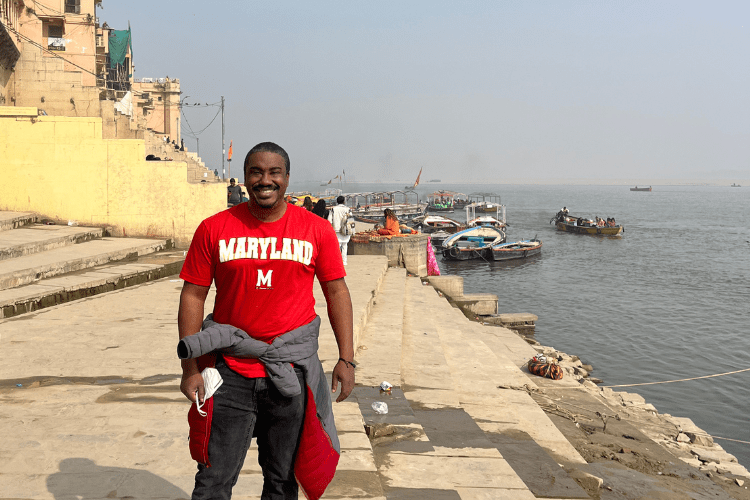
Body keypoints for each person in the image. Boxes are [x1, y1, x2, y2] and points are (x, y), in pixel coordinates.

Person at [178, 142, 355, 499]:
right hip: (229, 372)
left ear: (287, 178)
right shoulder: (215, 229)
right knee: (213, 479)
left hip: (289, 373)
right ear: (245, 178)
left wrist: (346, 359)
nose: (265, 180)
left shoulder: (316, 230)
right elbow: (193, 295)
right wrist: (190, 369)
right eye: (256, 172)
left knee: (283, 481)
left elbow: (337, 293)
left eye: (274, 173)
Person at [328, 196, 352, 265]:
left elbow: (329, 220)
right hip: (346, 229)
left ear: (337, 201)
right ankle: (344, 261)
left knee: (337, 246)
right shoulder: (348, 209)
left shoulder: (333, 209)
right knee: (345, 245)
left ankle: (337, 261)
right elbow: (351, 219)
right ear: (344, 201)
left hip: (336, 230)